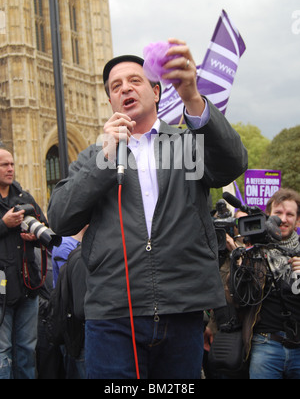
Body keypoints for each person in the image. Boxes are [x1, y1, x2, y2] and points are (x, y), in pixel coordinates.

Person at [48, 38, 248, 379]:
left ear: (156, 92)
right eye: (115, 86)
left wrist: (193, 98)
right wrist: (105, 158)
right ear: (111, 101)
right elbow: (60, 217)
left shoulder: (186, 145)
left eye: (135, 80)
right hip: (113, 316)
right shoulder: (95, 156)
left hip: (182, 308)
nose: (125, 88)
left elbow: (232, 163)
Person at [0, 147, 48, 379]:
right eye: (4, 165)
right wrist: (3, 224)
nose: (10, 169)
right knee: (3, 352)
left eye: (11, 164)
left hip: (28, 285)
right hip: (1, 291)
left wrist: (35, 237)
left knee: (27, 349)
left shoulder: (24, 197)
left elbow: (46, 230)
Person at [247, 188, 300, 379]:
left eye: (289, 214)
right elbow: (235, 298)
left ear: (298, 220)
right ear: (268, 215)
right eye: (278, 213)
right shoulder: (254, 252)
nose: (283, 219)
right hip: (265, 345)